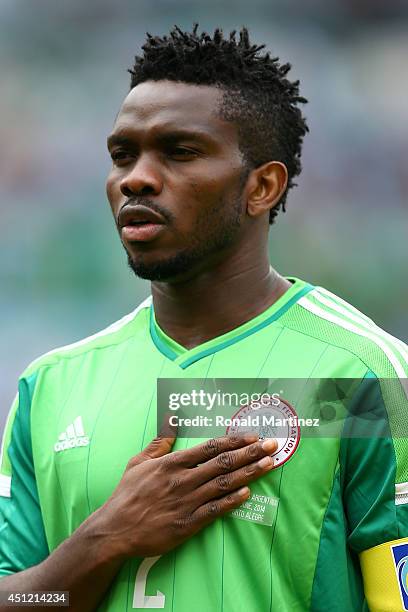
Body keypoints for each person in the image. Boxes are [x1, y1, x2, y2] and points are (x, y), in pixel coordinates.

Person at [0, 25, 407, 612]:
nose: (134, 177)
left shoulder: (367, 377)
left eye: (180, 151)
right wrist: (103, 540)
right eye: (122, 155)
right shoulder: (50, 386)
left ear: (262, 186)